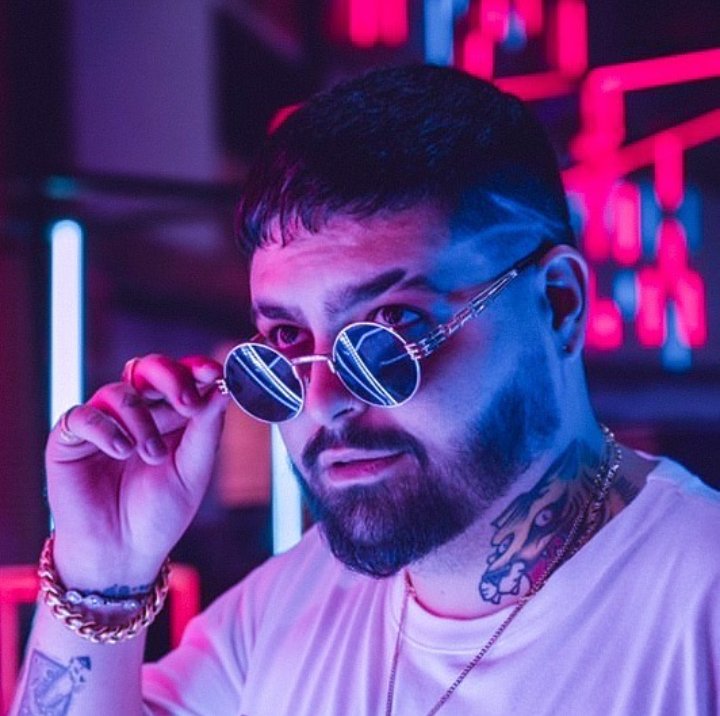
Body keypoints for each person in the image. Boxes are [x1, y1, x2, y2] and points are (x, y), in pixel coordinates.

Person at [11, 65, 719, 716]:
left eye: (392, 330)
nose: (322, 399)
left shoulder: (699, 609)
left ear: (558, 304)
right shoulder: (283, 610)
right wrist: (101, 571)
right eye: (287, 339)